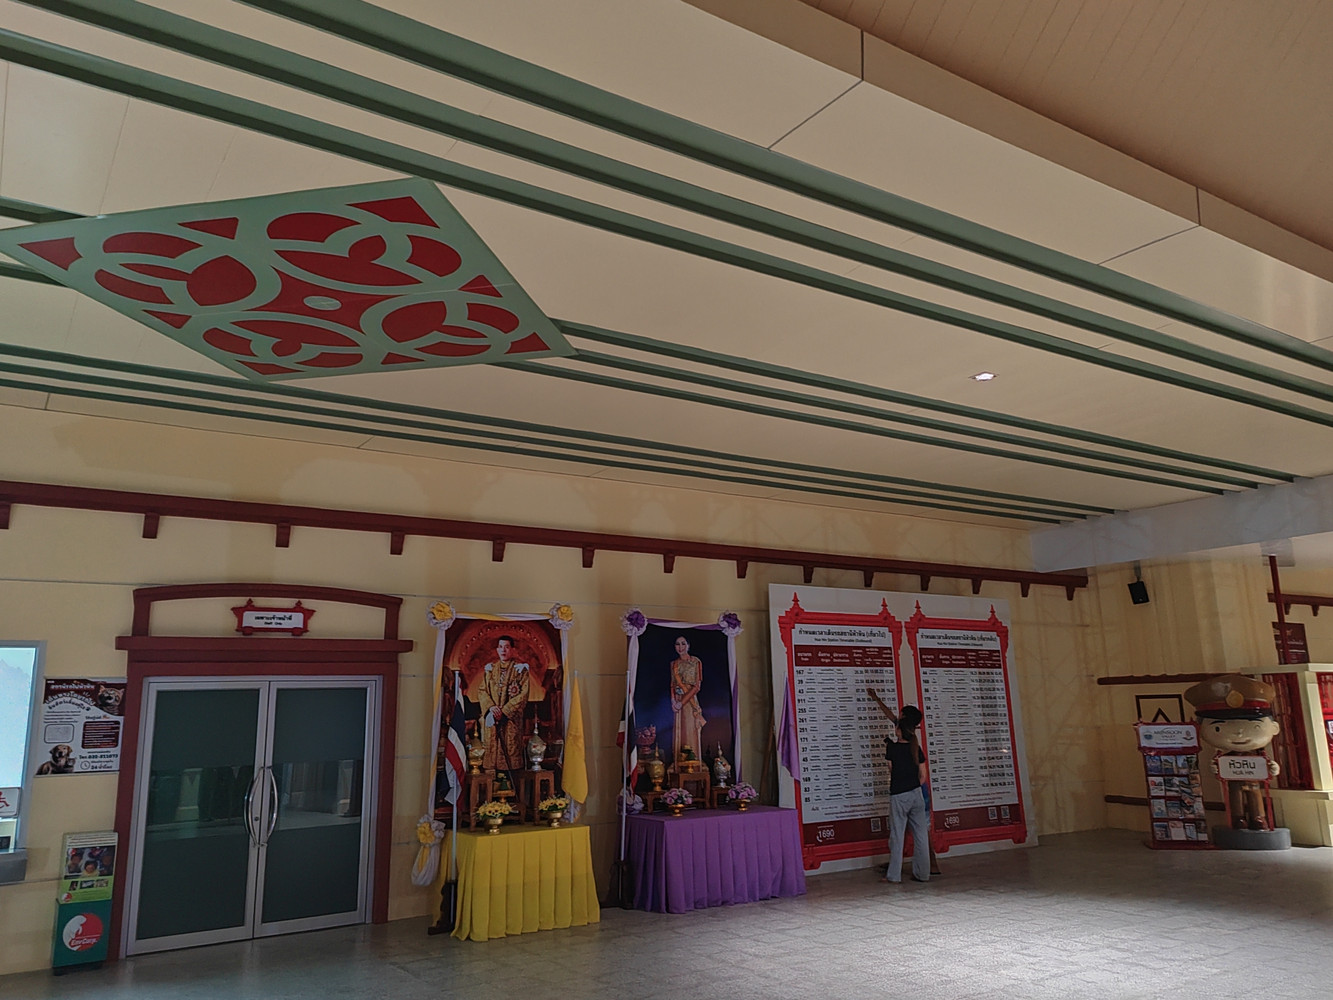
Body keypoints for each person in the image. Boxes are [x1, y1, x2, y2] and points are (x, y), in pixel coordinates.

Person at [867, 689, 931, 883]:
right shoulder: (916, 747)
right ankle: (923, 874)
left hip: (899, 795)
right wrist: (913, 785)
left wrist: (875, 698)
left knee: (897, 836)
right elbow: (923, 775)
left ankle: (894, 876)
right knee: (921, 835)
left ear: (901, 726)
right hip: (917, 794)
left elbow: (891, 769)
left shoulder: (893, 748)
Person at [477, 635, 530, 773]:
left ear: (512, 649)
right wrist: (491, 708)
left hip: (510, 722)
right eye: (500, 647)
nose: (503, 650)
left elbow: (523, 695)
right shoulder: (490, 670)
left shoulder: (520, 670)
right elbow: (482, 691)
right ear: (497, 649)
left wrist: (505, 711)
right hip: (492, 719)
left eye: (506, 647)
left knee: (510, 759)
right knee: (491, 760)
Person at [670, 635, 706, 762]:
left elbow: (697, 686)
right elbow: (672, 684)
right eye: (677, 644)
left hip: (690, 701)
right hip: (677, 701)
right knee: (679, 731)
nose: (680, 647)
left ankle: (693, 761)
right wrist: (673, 700)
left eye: (683, 644)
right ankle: (679, 762)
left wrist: (682, 703)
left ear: (688, 646)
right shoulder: (674, 664)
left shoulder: (696, 662)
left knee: (690, 730)